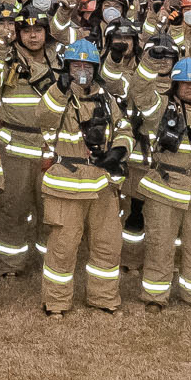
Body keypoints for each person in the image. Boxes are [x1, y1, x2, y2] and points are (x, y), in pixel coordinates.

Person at [38, 39, 134, 316]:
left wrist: (119, 150)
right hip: (66, 185)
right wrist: (60, 89)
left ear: (95, 68)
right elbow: (42, 116)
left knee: (107, 245)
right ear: (66, 67)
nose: (82, 70)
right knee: (63, 248)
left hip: (102, 184)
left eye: (87, 65)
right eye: (76, 64)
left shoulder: (105, 97)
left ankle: (103, 298)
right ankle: (56, 302)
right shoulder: (56, 96)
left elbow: (124, 127)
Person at [135, 57, 191, 310]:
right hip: (165, 188)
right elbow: (139, 93)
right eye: (184, 83)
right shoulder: (161, 108)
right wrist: (149, 63)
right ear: (175, 85)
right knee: (160, 245)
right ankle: (155, 297)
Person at [0, 13, 59, 276]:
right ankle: (9, 265)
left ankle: (49, 266)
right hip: (15, 148)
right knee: (13, 209)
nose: (32, 35)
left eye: (38, 30)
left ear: (46, 32)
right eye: (26, 31)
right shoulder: (6, 60)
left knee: (50, 213)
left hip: (50, 148)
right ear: (18, 33)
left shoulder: (60, 60)